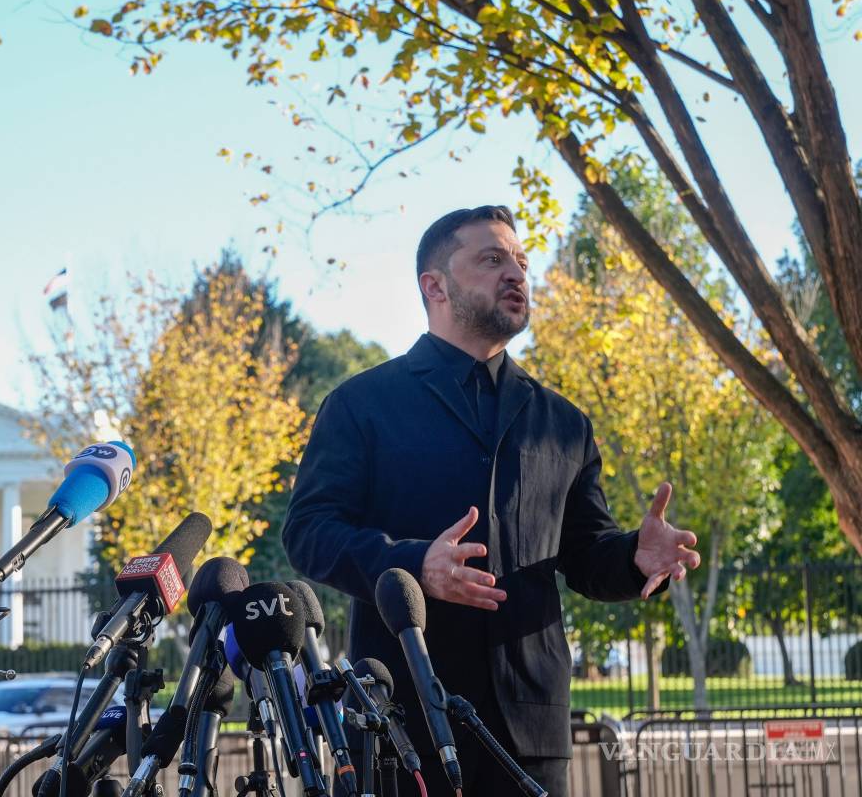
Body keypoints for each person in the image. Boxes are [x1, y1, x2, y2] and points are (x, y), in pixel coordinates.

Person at [282, 206, 700, 796]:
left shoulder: (563, 422)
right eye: (492, 259)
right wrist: (412, 564)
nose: (516, 273)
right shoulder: (360, 404)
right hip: (399, 726)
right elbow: (308, 532)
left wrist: (634, 557)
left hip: (530, 734)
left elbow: (585, 555)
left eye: (522, 262)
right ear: (435, 286)